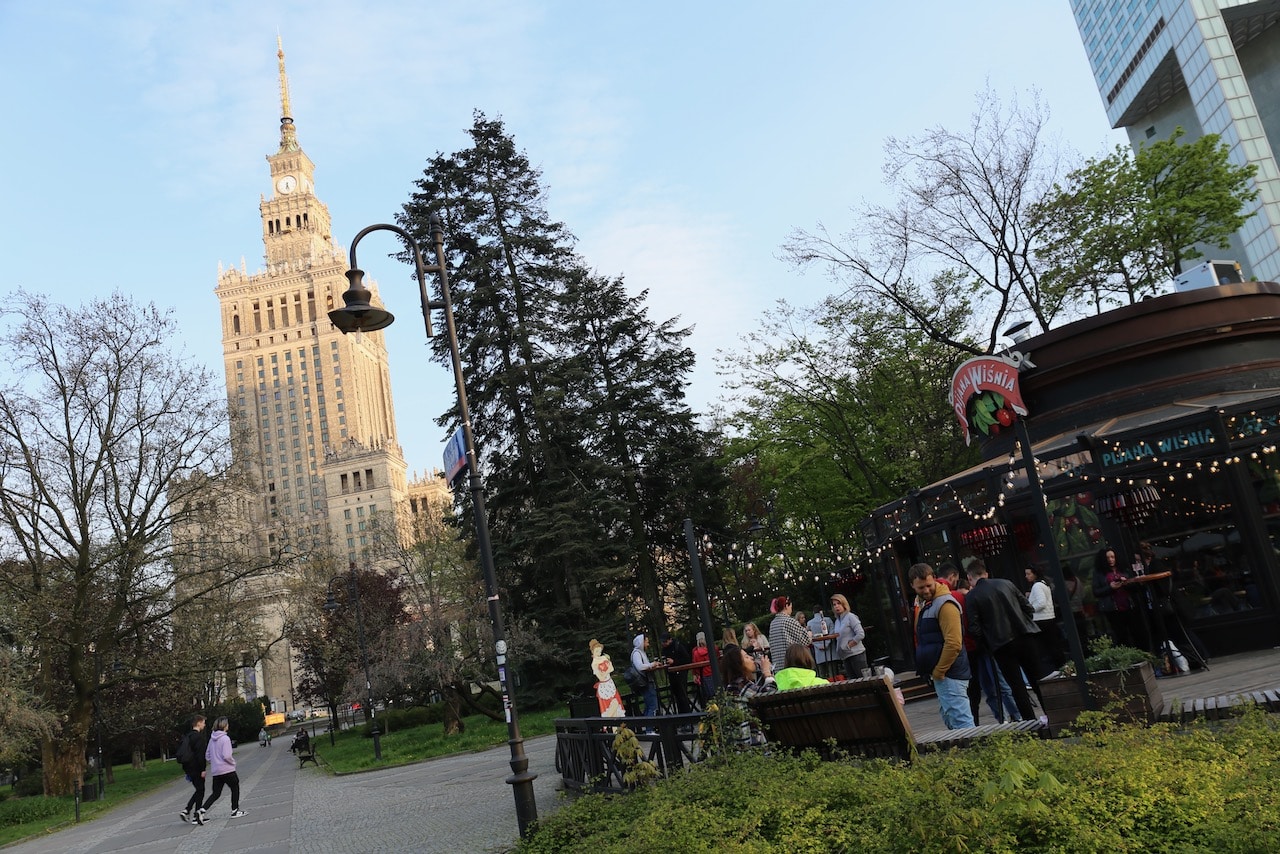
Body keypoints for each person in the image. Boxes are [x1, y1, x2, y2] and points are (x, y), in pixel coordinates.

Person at [964, 559, 1047, 722]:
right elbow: (1028, 607)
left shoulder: (972, 596)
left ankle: (1030, 721)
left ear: (969, 578)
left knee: (1016, 686)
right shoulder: (1006, 584)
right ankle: (1051, 713)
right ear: (986, 574)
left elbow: (974, 628)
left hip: (1001, 644)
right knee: (1038, 681)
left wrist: (986, 644)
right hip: (1024, 635)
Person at [940, 563, 1018, 724]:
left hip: (965, 649)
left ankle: (982, 721)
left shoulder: (938, 599)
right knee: (998, 683)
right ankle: (1013, 716)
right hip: (980, 645)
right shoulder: (964, 597)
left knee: (976, 688)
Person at [908, 563, 974, 730]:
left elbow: (953, 643)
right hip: (943, 672)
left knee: (961, 722)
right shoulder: (927, 603)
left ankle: (978, 753)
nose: (926, 590)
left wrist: (939, 671)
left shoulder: (944, 604)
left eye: (929, 585)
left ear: (935, 580)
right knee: (952, 719)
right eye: (920, 587)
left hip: (950, 672)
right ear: (912, 586)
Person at [719, 643, 776, 746]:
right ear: (738, 664)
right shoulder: (740, 684)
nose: (751, 657)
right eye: (746, 657)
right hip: (750, 746)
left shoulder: (736, 684)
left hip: (745, 743)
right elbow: (770, 696)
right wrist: (767, 672)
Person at [1093, 547, 1149, 651]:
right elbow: (1096, 592)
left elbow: (1136, 588)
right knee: (1121, 636)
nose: (1110, 560)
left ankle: (1143, 653)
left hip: (1129, 606)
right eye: (1108, 558)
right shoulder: (1099, 573)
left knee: (1138, 632)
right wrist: (1110, 588)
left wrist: (1127, 583)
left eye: (1112, 557)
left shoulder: (1124, 569)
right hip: (1113, 609)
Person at [196, 716, 245, 823]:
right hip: (227, 769)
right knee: (235, 787)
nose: (228, 725)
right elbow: (227, 755)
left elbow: (207, 755)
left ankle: (202, 810)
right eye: (227, 724)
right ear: (224, 726)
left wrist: (214, 761)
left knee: (216, 793)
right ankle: (235, 810)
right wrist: (233, 763)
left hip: (216, 771)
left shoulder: (212, 739)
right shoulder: (225, 739)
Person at [1025, 565, 1067, 670]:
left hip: (1042, 619)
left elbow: (1041, 603)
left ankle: (1056, 668)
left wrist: (1030, 609)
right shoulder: (1044, 584)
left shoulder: (1037, 586)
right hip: (1049, 618)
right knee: (1053, 645)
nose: (1026, 576)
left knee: (1048, 647)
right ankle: (1061, 666)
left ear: (1035, 574)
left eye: (1028, 574)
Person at [767, 596, 812, 671]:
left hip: (778, 665)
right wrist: (809, 635)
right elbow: (806, 641)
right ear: (786, 606)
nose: (791, 609)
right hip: (790, 664)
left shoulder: (773, 623)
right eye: (791, 606)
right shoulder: (789, 621)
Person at [828, 593, 868, 678]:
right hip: (845, 656)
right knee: (853, 682)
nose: (836, 606)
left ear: (844, 604)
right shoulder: (837, 621)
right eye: (834, 605)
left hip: (856, 654)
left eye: (839, 604)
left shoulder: (851, 617)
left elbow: (860, 633)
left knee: (863, 680)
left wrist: (849, 645)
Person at [177, 714, 207, 824]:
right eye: (203, 722)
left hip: (188, 767)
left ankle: (188, 811)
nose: (204, 724)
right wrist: (203, 769)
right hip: (196, 767)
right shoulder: (198, 737)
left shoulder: (188, 736)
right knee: (201, 790)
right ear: (198, 723)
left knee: (199, 789)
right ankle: (195, 815)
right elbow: (200, 755)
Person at [630, 633, 664, 717]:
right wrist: (651, 664)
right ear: (642, 642)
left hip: (648, 680)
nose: (648, 644)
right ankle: (649, 729)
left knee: (649, 705)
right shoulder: (637, 653)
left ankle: (649, 725)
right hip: (645, 682)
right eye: (646, 642)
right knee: (652, 705)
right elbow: (640, 667)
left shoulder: (641, 653)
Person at [660, 633, 693, 714]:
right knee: (677, 697)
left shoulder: (678, 646)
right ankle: (681, 717)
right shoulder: (664, 650)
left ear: (670, 640)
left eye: (665, 641)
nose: (664, 644)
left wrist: (674, 661)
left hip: (681, 674)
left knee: (683, 696)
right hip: (671, 675)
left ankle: (688, 717)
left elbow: (687, 659)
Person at [691, 632, 716, 703]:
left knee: (708, 696)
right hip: (714, 673)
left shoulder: (695, 652)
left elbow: (695, 665)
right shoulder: (713, 648)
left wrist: (695, 675)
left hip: (703, 675)